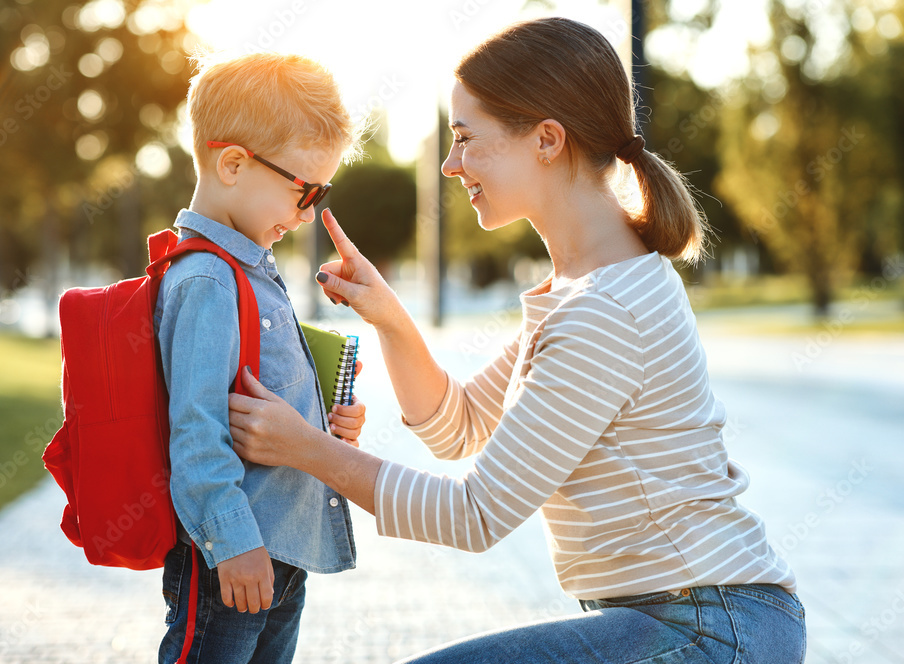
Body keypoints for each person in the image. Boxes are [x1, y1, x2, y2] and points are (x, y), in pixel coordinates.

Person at [227, 16, 806, 664]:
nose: (451, 165)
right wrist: (389, 316)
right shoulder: (581, 291)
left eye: (467, 139)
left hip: (711, 628)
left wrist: (304, 448)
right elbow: (460, 427)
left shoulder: (606, 310)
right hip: (687, 622)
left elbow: (474, 516)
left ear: (547, 140)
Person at [154, 52, 367, 664]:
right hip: (237, 555)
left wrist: (322, 426)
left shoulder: (247, 268)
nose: (307, 214)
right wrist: (232, 542)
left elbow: (252, 394)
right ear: (233, 163)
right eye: (303, 190)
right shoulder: (208, 280)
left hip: (281, 554)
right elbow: (196, 429)